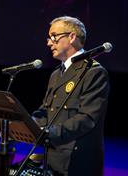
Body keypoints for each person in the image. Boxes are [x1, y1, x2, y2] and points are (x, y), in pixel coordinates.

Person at [32, 16, 109, 176]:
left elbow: (87, 119)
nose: (49, 43)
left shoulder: (93, 72)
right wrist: (23, 124)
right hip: (53, 158)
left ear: (72, 37)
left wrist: (48, 133)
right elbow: (45, 112)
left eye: (54, 36)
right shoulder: (56, 74)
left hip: (77, 162)